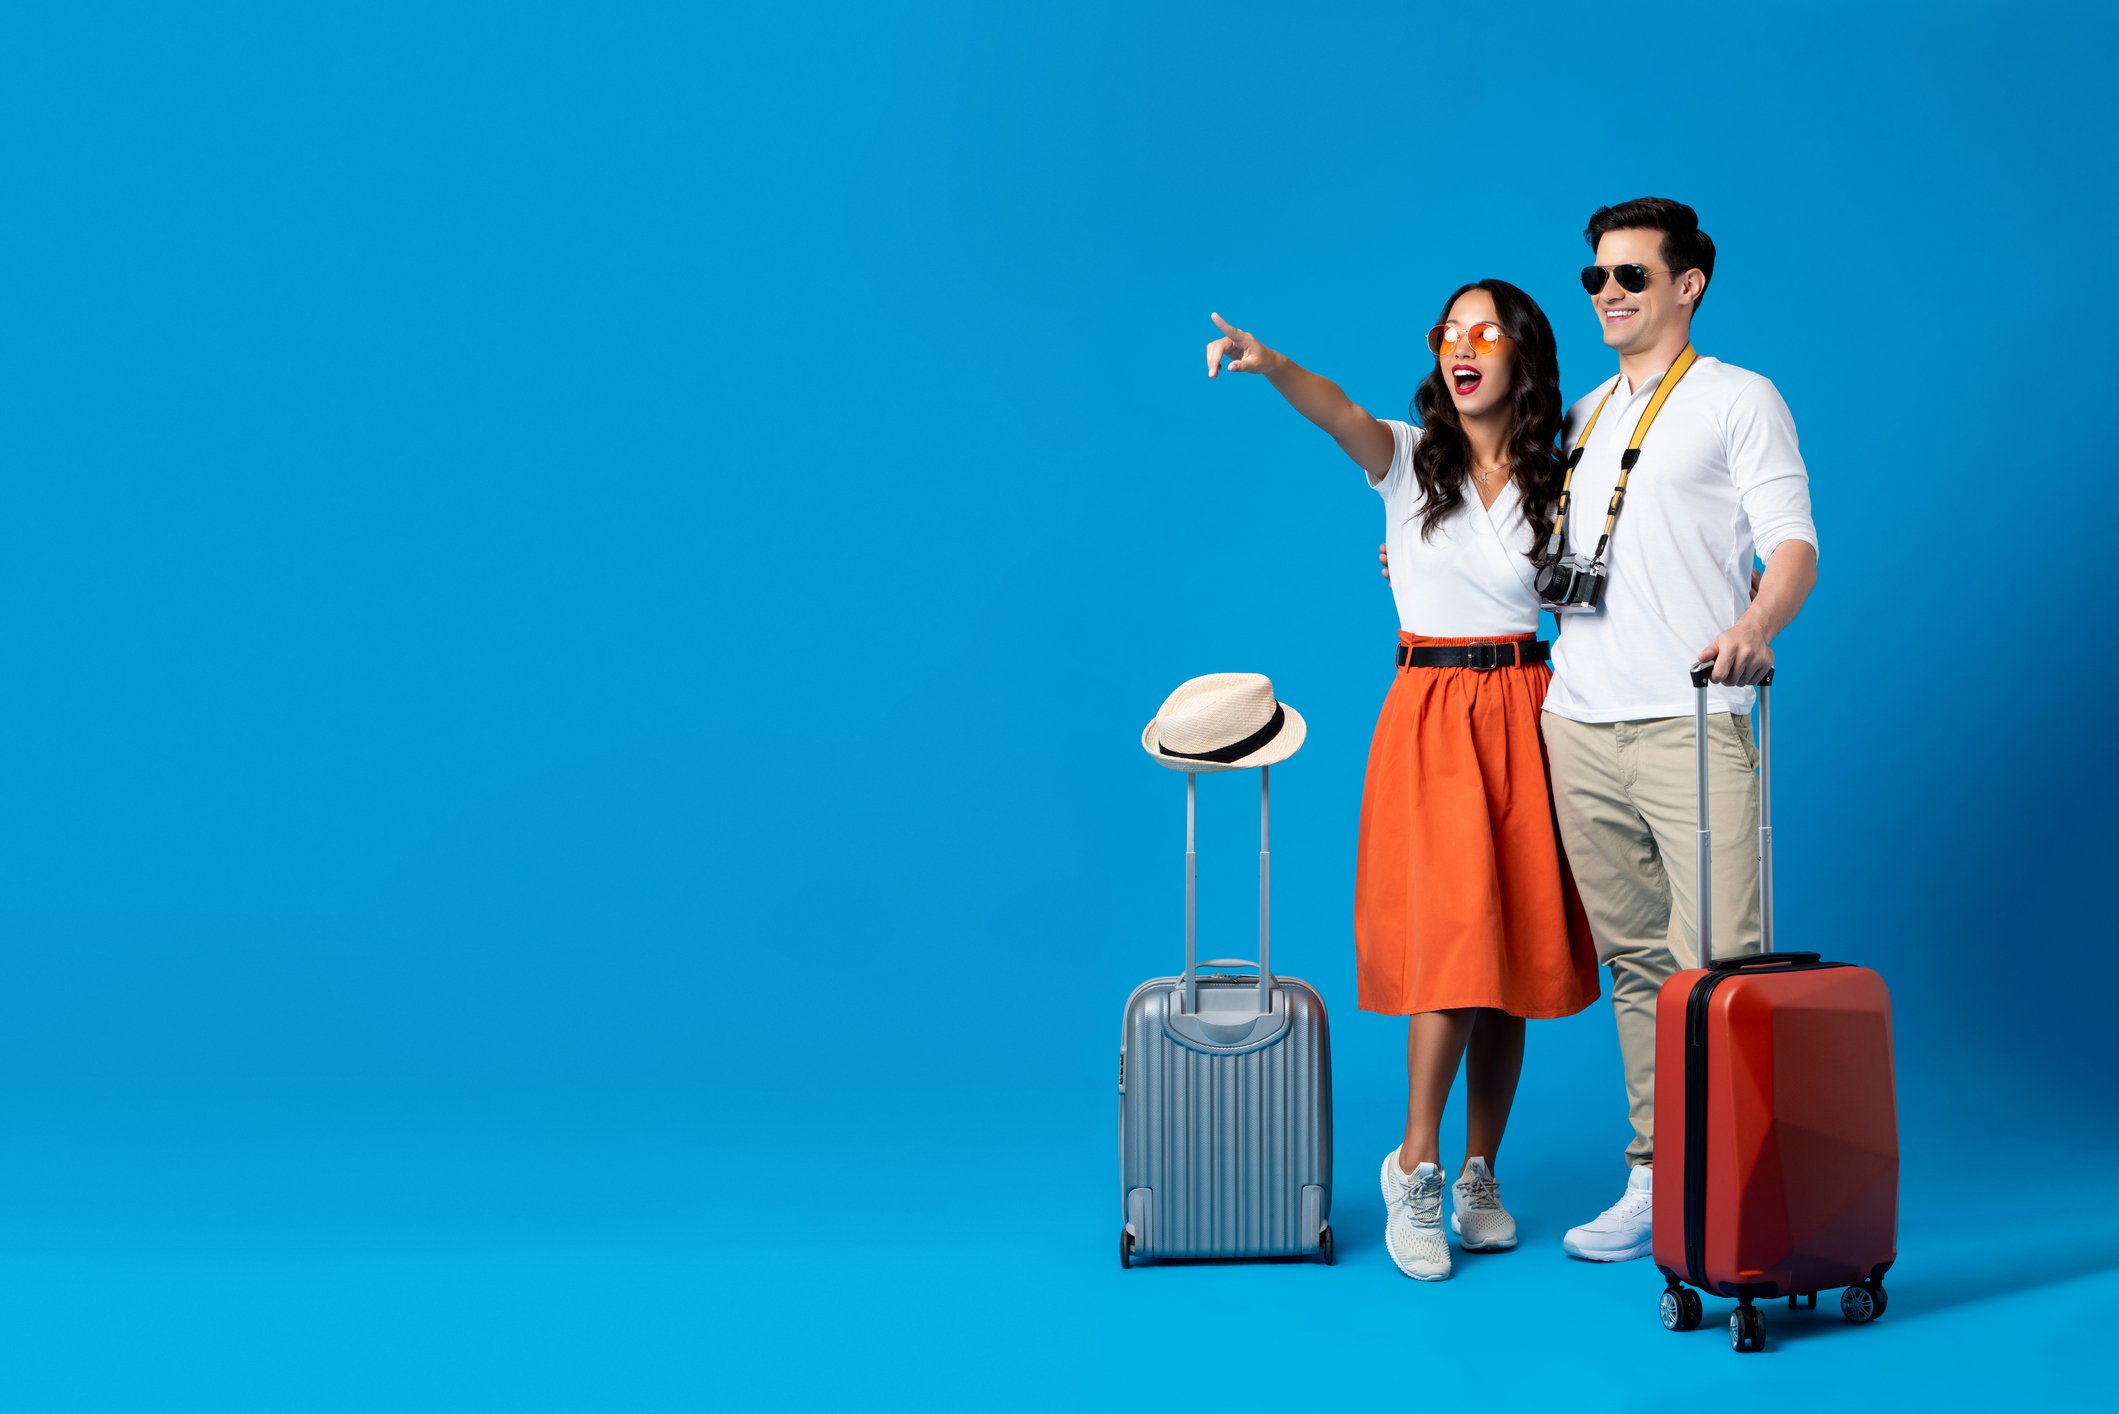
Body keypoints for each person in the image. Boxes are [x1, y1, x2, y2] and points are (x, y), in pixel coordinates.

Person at [1205, 283, 1599, 1282]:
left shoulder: (1562, 475)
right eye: (1448, 333)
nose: (1461, 347)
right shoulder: (1409, 459)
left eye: (1484, 332)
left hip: (1529, 705)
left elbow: (1598, 590)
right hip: (1433, 709)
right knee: (1454, 944)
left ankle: (1478, 1172)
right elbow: (1338, 411)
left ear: (1522, 356)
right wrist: (1269, 362)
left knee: (1514, 955)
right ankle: (1413, 1166)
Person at [1541, 198, 1818, 1261]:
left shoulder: (1738, 398)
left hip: (1692, 719)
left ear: (1687, 284)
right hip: (1577, 722)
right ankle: (1656, 1178)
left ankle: (1737, 1191)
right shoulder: (1578, 415)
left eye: (1630, 275)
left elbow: (1792, 544)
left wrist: (1754, 625)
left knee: (1720, 967)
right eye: (1595, 278)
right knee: (1636, 966)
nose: (1607, 293)